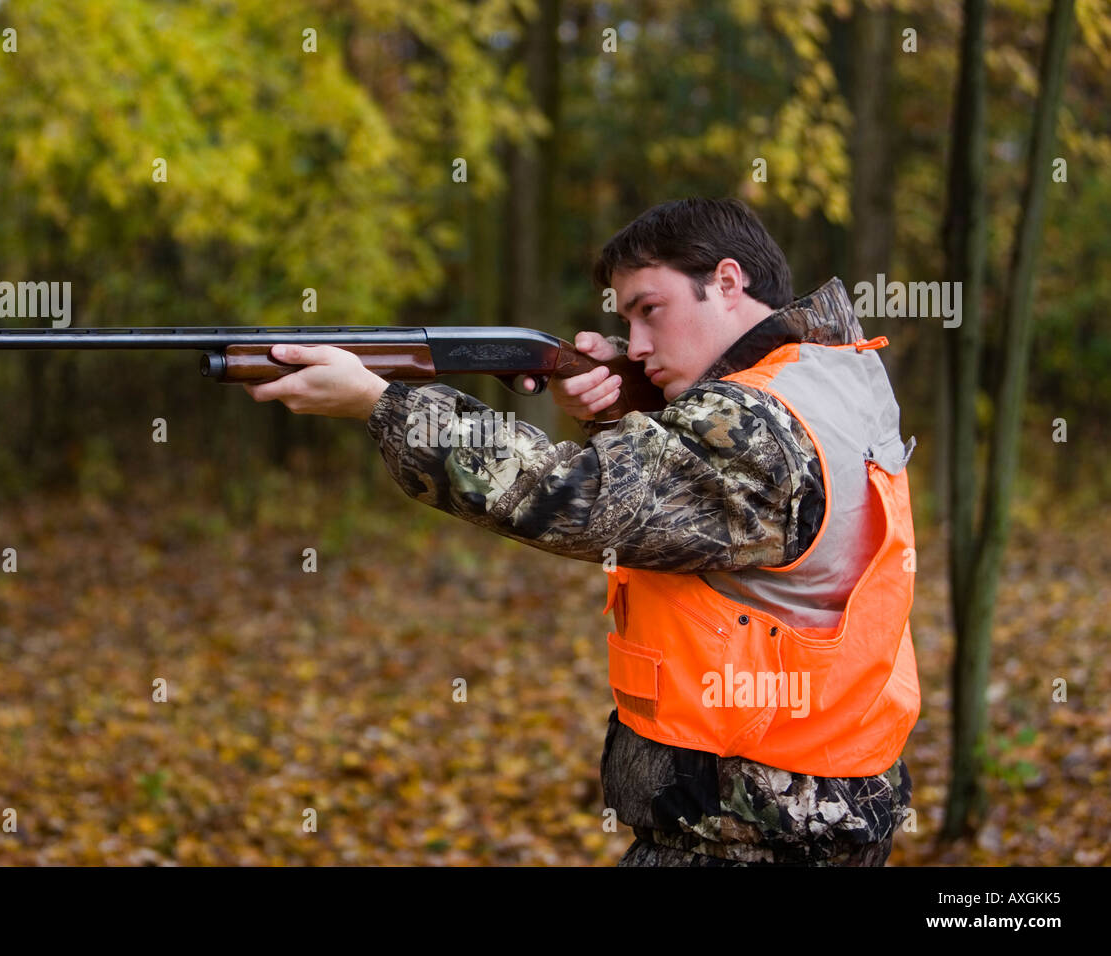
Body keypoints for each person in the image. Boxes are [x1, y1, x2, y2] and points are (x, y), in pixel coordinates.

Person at [242, 197, 919, 866]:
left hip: (757, 829)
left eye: (649, 310)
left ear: (727, 282)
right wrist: (627, 404)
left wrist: (382, 403)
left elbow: (570, 496)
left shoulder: (756, 430)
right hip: (811, 805)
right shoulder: (829, 375)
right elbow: (703, 505)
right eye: (626, 320)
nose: (640, 343)